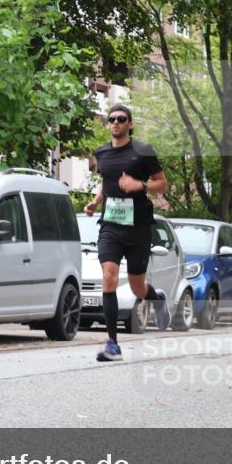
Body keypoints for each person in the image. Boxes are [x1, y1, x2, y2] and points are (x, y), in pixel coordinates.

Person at [84, 103, 172, 362]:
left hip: (138, 227)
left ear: (130, 124)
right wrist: (95, 202)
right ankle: (112, 344)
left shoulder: (142, 152)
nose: (115, 123)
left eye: (121, 119)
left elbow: (162, 183)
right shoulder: (102, 153)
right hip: (110, 226)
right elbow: (106, 181)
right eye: (111, 119)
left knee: (137, 287)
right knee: (109, 277)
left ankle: (157, 299)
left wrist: (139, 184)